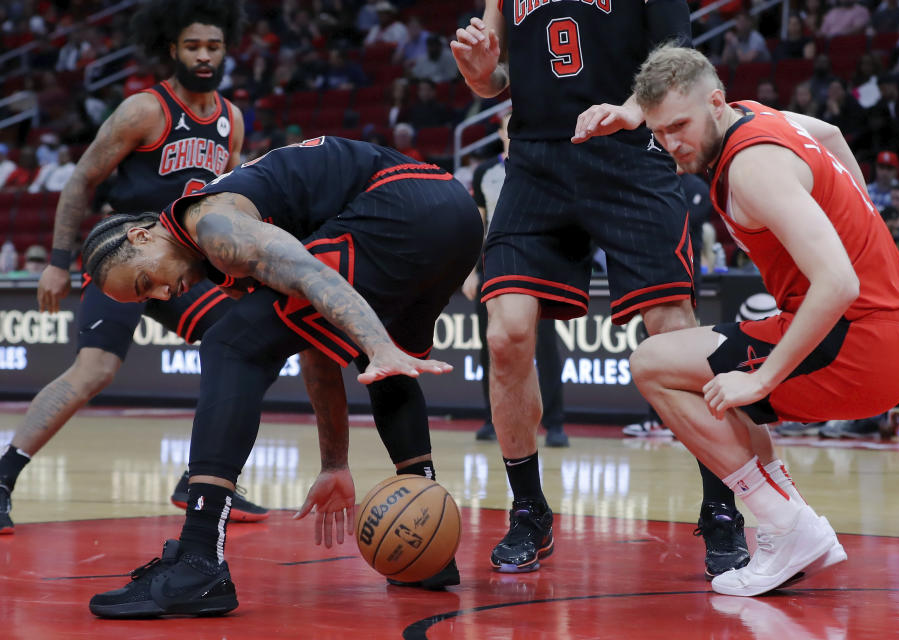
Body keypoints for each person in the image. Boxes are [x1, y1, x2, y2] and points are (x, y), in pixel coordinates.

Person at [83, 135, 482, 617]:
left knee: (230, 344)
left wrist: (378, 346)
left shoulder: (217, 228)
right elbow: (316, 334)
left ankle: (198, 559)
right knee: (359, 346)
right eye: (152, 298)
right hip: (451, 214)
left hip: (402, 205)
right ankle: (429, 544)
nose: (167, 294)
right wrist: (335, 461)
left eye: (148, 282)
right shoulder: (215, 244)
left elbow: (312, 274)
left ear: (141, 235)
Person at [451, 0, 751, 578]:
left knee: (673, 331)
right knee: (507, 333)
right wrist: (479, 71)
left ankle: (722, 508)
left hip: (630, 154)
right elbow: (494, 81)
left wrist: (632, 109)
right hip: (537, 161)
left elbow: (677, 58)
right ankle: (529, 511)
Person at [631, 45, 899, 595]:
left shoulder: (751, 169)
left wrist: (763, 379)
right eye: (658, 131)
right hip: (890, 331)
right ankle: (788, 523)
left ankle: (786, 525)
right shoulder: (760, 116)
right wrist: (868, 227)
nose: (671, 143)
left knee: (653, 363)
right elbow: (834, 135)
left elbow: (838, 283)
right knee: (709, 377)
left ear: (715, 104)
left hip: (862, 345)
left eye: (680, 125)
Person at [0, 0, 266, 537]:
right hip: (126, 255)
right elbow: (80, 180)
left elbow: (232, 193)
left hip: (183, 261)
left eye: (213, 46)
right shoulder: (144, 109)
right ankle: (3, 477)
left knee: (245, 345)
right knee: (95, 370)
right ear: (172, 49)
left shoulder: (231, 120)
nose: (204, 55)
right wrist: (56, 262)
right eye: (193, 46)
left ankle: (203, 479)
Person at [463, 112, 568, 447]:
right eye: (510, 127)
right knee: (492, 346)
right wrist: (469, 271)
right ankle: (493, 419)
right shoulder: (484, 172)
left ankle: (554, 424)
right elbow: (476, 227)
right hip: (493, 266)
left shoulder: (546, 166)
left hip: (537, 265)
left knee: (546, 347)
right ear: (501, 133)